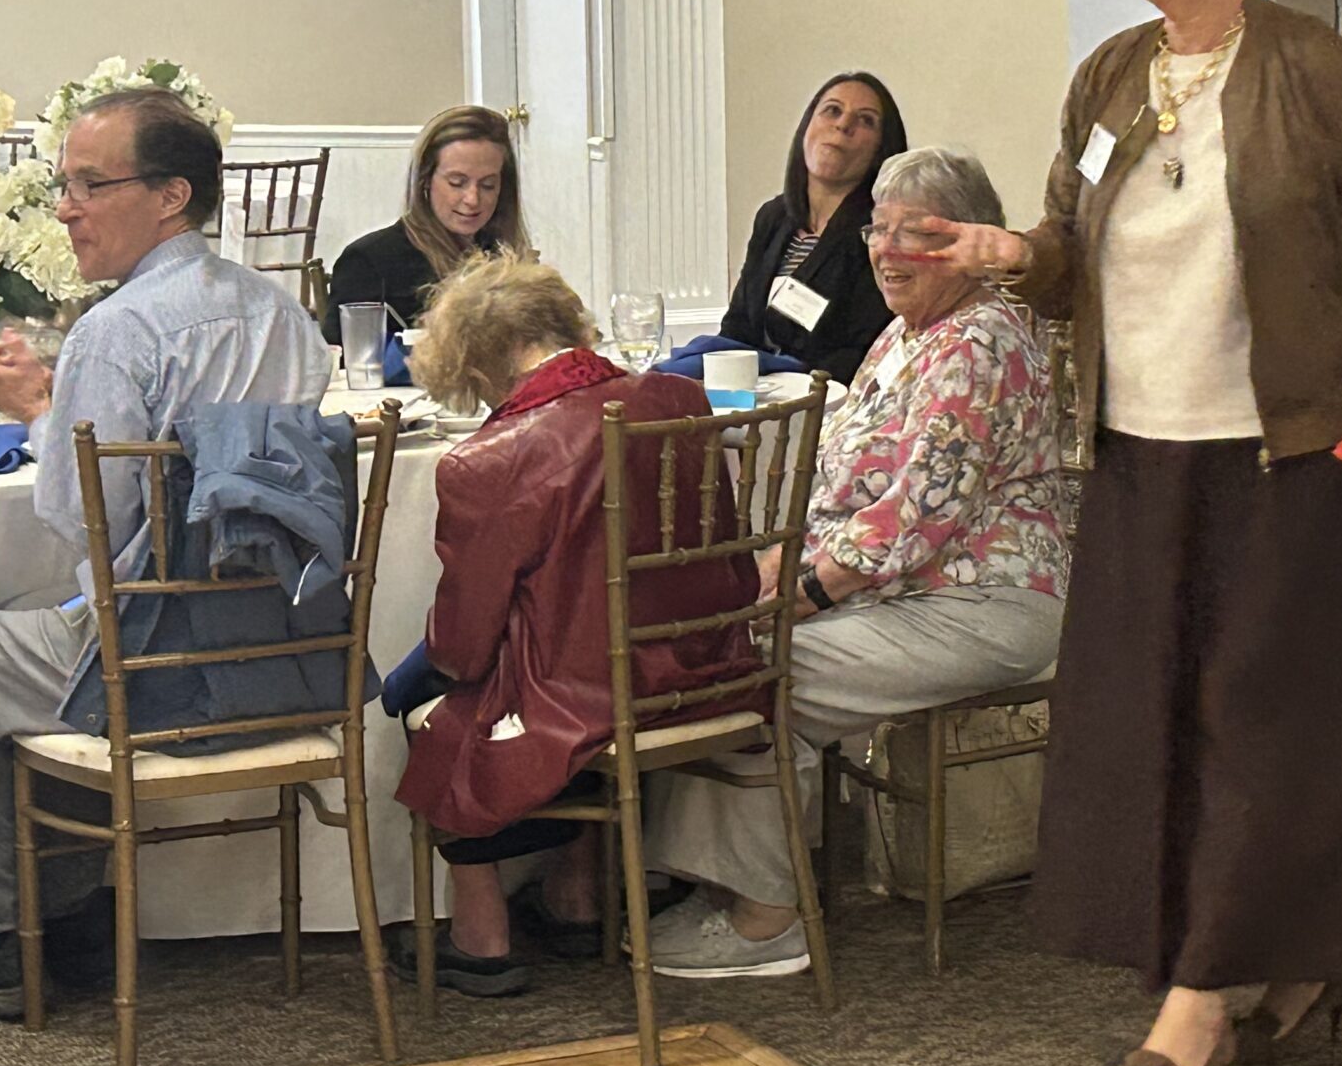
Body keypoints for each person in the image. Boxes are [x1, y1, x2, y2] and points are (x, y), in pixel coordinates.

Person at [916, 0, 1342, 1066]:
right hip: (1139, 454)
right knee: (1156, 720)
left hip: (1296, 458)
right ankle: (1295, 958)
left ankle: (1198, 998)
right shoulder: (1113, 77)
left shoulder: (1316, 72)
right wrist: (1013, 256)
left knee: (1264, 727)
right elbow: (1070, 250)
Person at [0, 86, 333, 1018]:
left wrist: (40, 413)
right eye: (64, 185)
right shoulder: (283, 316)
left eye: (90, 184)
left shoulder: (118, 330)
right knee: (47, 626)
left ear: (170, 196)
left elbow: (82, 515)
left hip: (163, 663)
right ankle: (79, 919)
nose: (64, 209)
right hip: (284, 650)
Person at [644, 147, 1069, 980]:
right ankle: (729, 882)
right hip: (908, 591)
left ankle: (768, 919)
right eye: (879, 229)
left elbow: (917, 515)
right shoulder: (905, 336)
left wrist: (798, 594)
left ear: (967, 243)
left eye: (918, 233)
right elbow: (844, 484)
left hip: (985, 601)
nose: (888, 250)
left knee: (761, 669)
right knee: (721, 645)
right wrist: (775, 563)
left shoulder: (977, 344)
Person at [381, 254, 762, 996]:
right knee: (569, 657)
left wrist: (412, 675)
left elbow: (463, 647)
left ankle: (480, 937)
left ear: (478, 365)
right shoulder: (679, 398)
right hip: (707, 666)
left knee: (436, 704)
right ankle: (577, 894)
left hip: (583, 700)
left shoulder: (487, 459)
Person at [684, 72, 907, 385]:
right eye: (832, 110)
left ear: (880, 150)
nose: (843, 124)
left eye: (865, 120)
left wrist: (775, 377)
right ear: (807, 127)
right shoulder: (773, 218)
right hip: (751, 397)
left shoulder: (881, 233)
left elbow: (862, 352)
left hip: (826, 400)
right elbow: (738, 328)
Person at [323, 105, 529, 343]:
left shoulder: (503, 257)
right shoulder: (369, 261)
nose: (472, 199)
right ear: (425, 180)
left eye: (487, 185)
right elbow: (345, 358)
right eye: (456, 182)